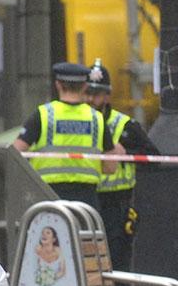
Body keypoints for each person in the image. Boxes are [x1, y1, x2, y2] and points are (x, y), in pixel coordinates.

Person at [85, 61, 153, 270]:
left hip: (118, 204)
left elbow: (153, 156)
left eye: (97, 94)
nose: (91, 99)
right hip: (91, 199)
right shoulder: (82, 121)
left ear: (107, 96)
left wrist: (126, 154)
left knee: (118, 261)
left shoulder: (124, 125)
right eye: (88, 93)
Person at [12, 60, 112, 201]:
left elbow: (16, 153)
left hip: (48, 195)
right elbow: (110, 167)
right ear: (84, 86)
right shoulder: (97, 119)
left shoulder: (43, 114)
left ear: (58, 84)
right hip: (86, 198)